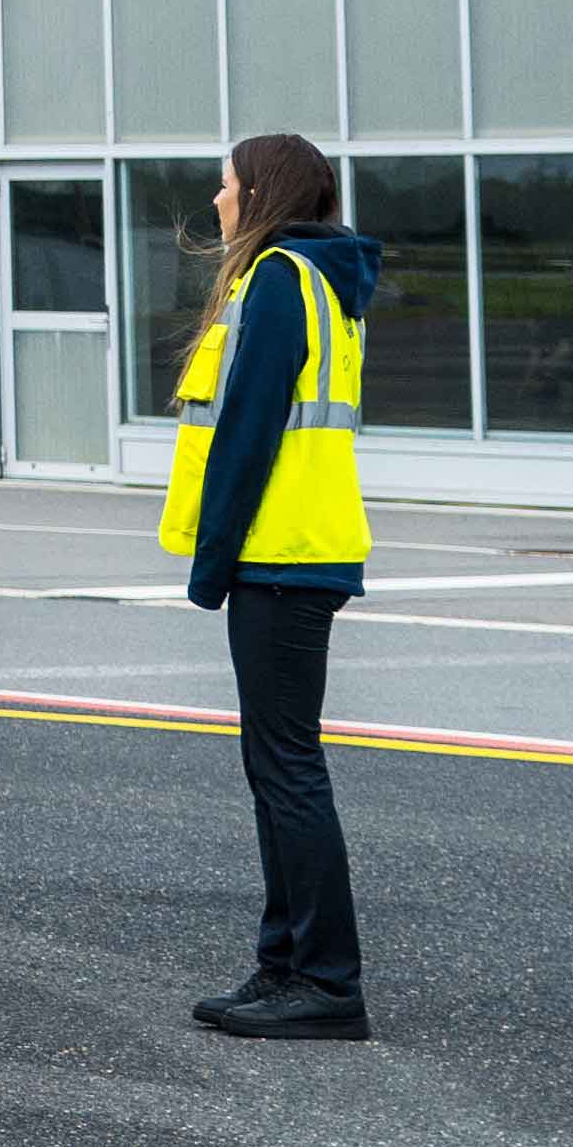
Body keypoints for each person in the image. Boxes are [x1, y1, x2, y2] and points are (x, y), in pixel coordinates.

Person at [164, 131, 381, 1041]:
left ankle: (325, 982)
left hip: (282, 554)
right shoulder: (313, 277)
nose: (216, 202)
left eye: (225, 187)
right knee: (277, 766)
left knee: (287, 769)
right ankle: (285, 963)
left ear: (259, 194)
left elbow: (249, 429)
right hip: (295, 550)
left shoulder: (285, 279)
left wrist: (212, 564)